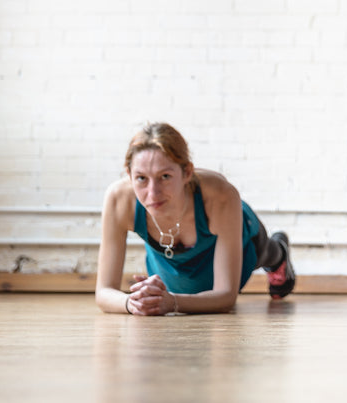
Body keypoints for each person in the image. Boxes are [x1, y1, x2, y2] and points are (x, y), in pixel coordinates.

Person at [95, 122, 296, 315]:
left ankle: (279, 254)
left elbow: (226, 296)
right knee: (187, 290)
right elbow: (103, 292)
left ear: (187, 172)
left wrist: (172, 302)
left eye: (165, 176)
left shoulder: (221, 195)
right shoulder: (118, 199)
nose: (153, 193)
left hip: (243, 242)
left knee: (264, 252)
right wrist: (133, 302)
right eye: (141, 178)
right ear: (129, 175)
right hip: (176, 269)